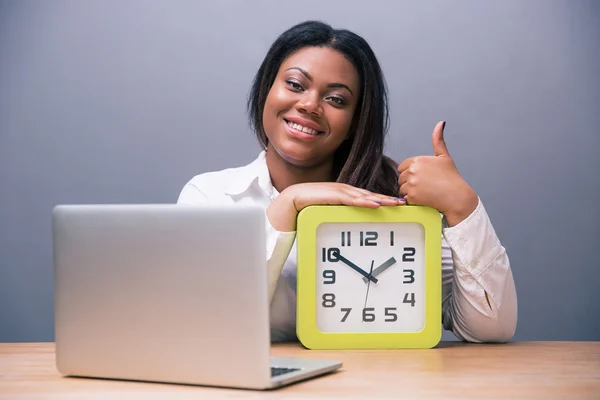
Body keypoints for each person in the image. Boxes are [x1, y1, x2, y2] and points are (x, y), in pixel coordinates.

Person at [178, 20, 517, 343]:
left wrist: (464, 207)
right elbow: (208, 326)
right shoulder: (210, 197)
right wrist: (287, 205)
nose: (310, 105)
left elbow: (491, 328)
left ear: (356, 121)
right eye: (295, 85)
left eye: (336, 99)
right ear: (267, 89)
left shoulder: (393, 204)